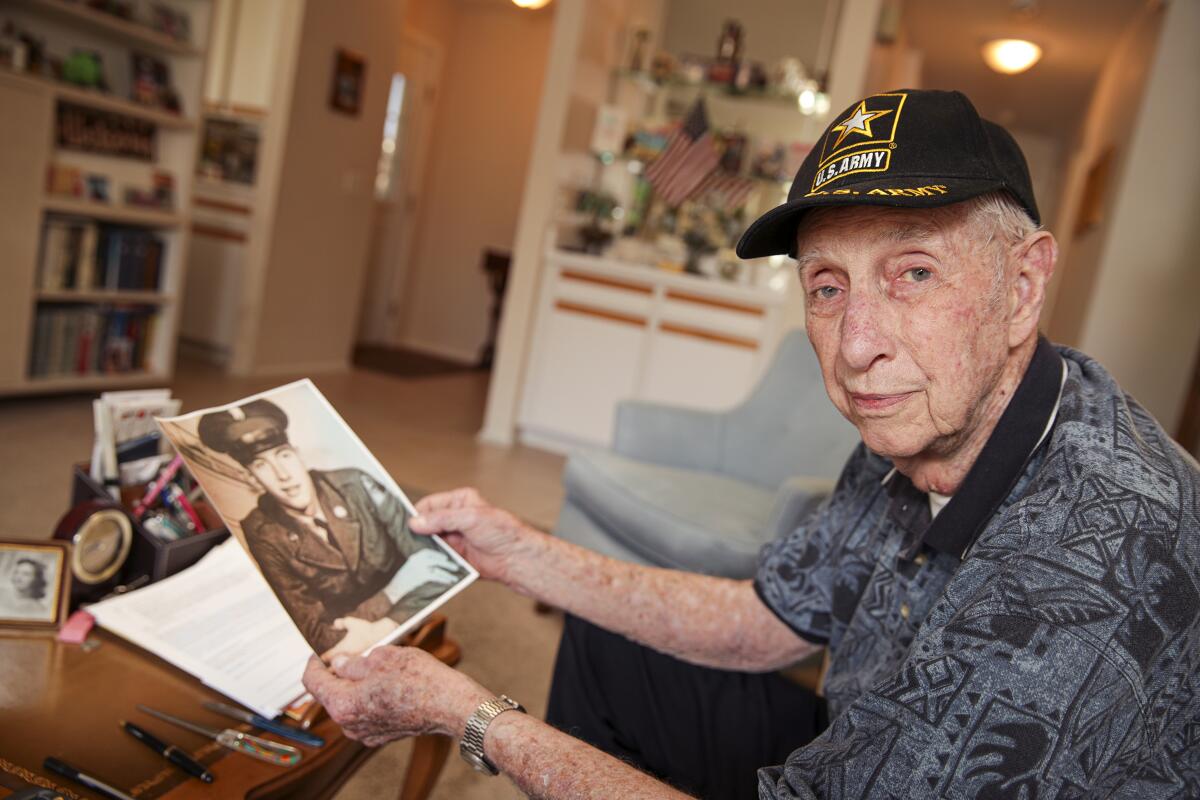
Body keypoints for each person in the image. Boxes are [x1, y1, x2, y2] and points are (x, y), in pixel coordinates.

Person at [302, 89, 1200, 798]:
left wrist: (466, 716)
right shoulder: (926, 416)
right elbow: (768, 621)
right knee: (604, 650)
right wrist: (521, 554)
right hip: (868, 741)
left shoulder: (1091, 557)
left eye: (914, 272)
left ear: (1024, 285)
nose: (856, 347)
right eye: (827, 285)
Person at [197, 399, 467, 659]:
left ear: (298, 455)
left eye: (284, 456)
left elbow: (440, 568)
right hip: (361, 638)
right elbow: (318, 636)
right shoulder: (262, 531)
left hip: (374, 631)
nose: (282, 474)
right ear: (250, 477)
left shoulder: (356, 484)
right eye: (261, 465)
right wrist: (393, 593)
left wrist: (384, 627)